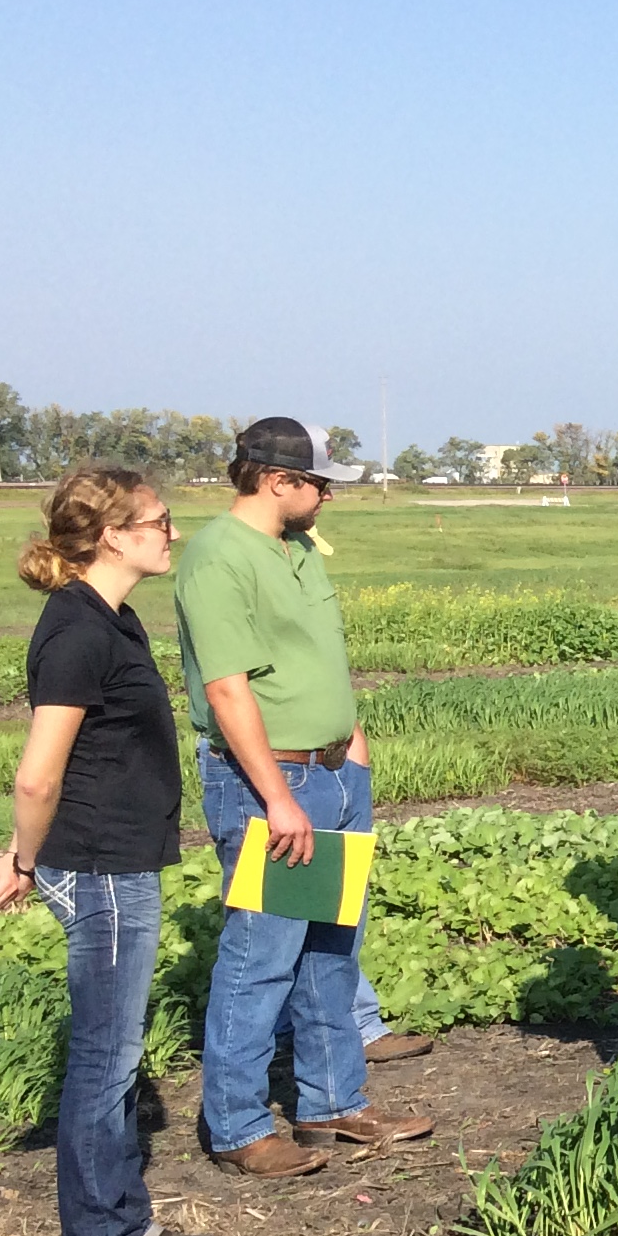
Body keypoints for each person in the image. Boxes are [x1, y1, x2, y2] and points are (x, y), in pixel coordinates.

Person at [0, 467, 211, 1236]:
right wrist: (24, 859)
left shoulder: (113, 618)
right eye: (159, 519)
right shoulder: (79, 631)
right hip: (101, 866)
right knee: (106, 1062)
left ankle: (120, 1233)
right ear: (113, 534)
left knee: (113, 1057)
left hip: (118, 859)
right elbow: (39, 774)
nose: (171, 532)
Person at [175, 418, 430, 1177]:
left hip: (333, 773)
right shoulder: (220, 557)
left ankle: (333, 1105)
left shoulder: (295, 550)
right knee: (262, 958)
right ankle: (239, 1128)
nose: (327, 495)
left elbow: (314, 659)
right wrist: (277, 796)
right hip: (273, 784)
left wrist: (350, 748)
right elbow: (228, 688)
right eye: (319, 483)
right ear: (274, 479)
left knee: (330, 948)